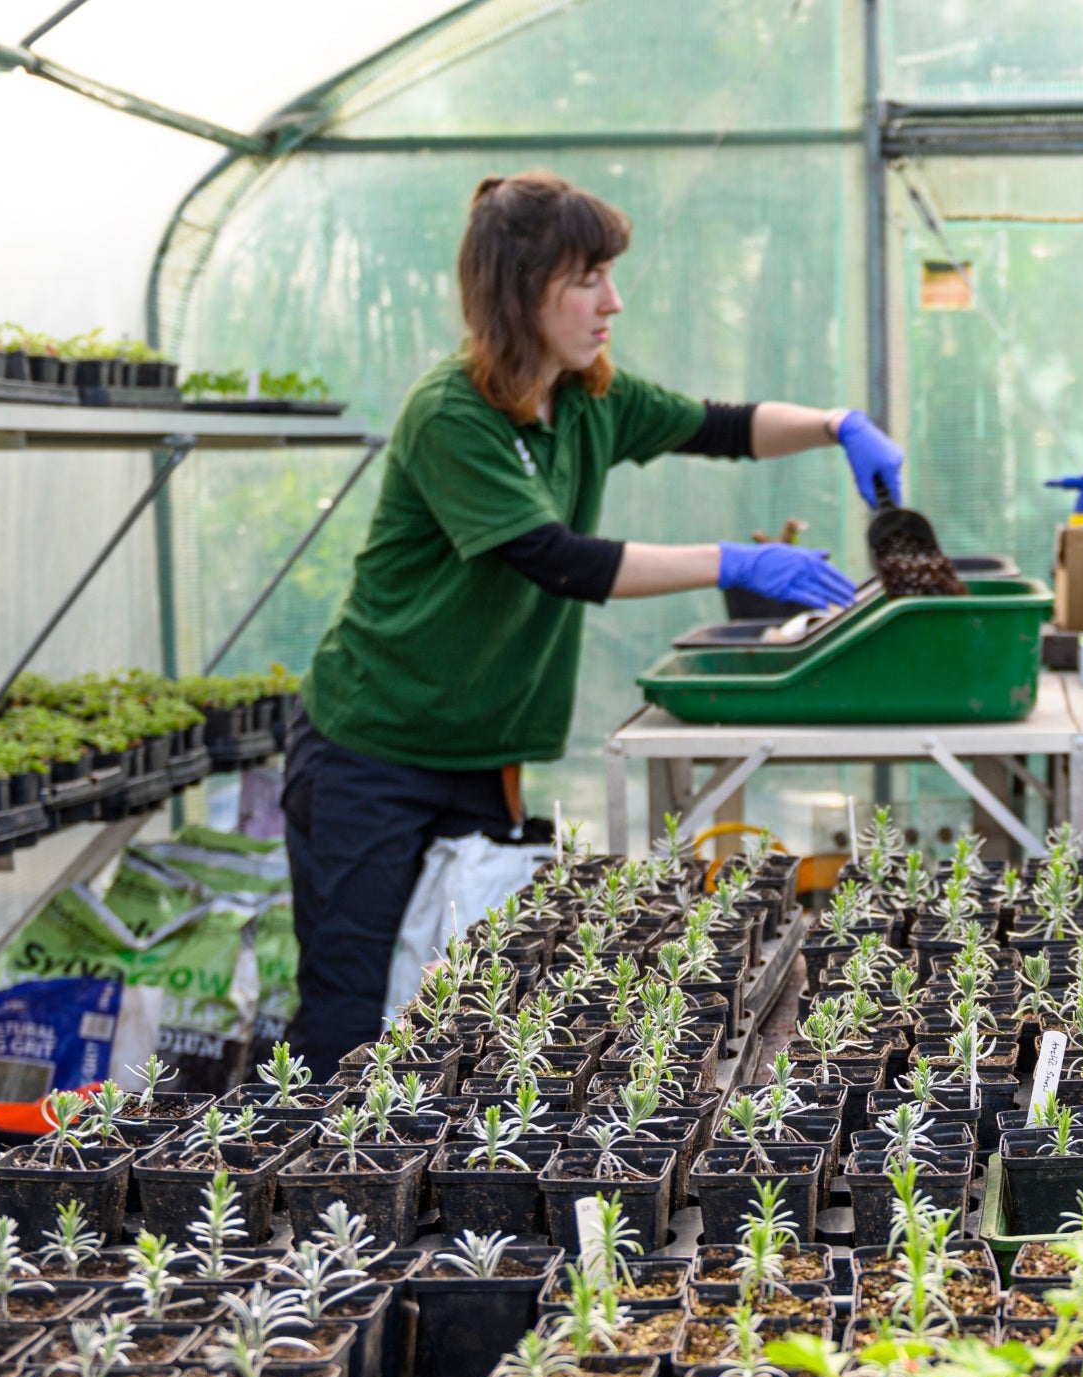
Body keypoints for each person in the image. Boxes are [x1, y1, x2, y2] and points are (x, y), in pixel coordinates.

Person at [282, 171, 904, 1068]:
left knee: (464, 999)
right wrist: (733, 561)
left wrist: (837, 422)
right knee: (350, 1011)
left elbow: (718, 425)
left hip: (478, 753)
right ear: (516, 291)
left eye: (609, 274)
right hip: (372, 749)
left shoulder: (586, 400)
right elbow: (552, 556)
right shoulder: (452, 415)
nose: (612, 300)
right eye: (585, 279)